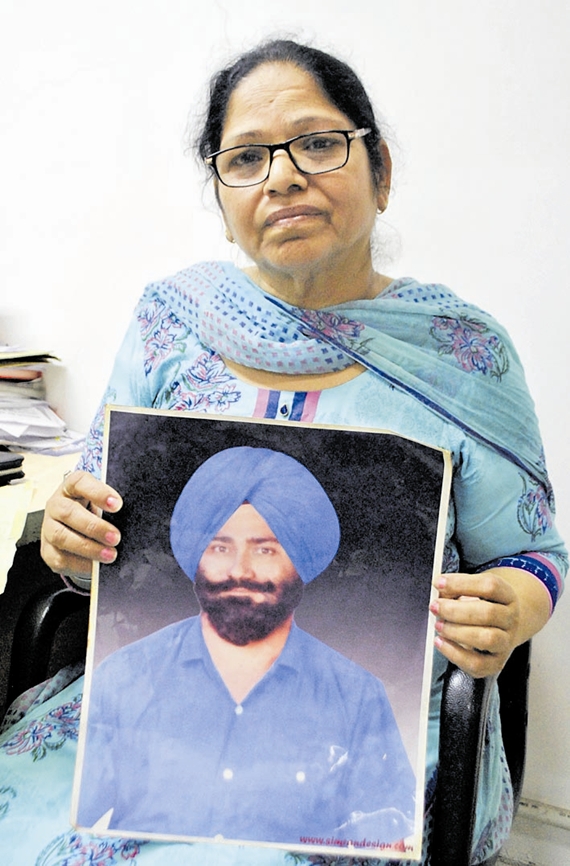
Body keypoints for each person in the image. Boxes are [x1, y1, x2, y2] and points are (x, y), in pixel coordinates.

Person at [0, 36, 565, 866]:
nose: (284, 175)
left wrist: (515, 602)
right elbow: (98, 545)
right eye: (247, 158)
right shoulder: (169, 323)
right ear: (222, 194)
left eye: (319, 142)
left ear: (382, 171)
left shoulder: (462, 352)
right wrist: (72, 540)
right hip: (137, 720)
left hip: (365, 743)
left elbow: (533, 555)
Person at [76, 446, 416, 847]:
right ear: (197, 557)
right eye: (220, 547)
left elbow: (389, 834)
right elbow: (64, 815)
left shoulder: (357, 697)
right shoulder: (125, 676)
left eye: (265, 549)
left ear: (301, 562)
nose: (240, 570)